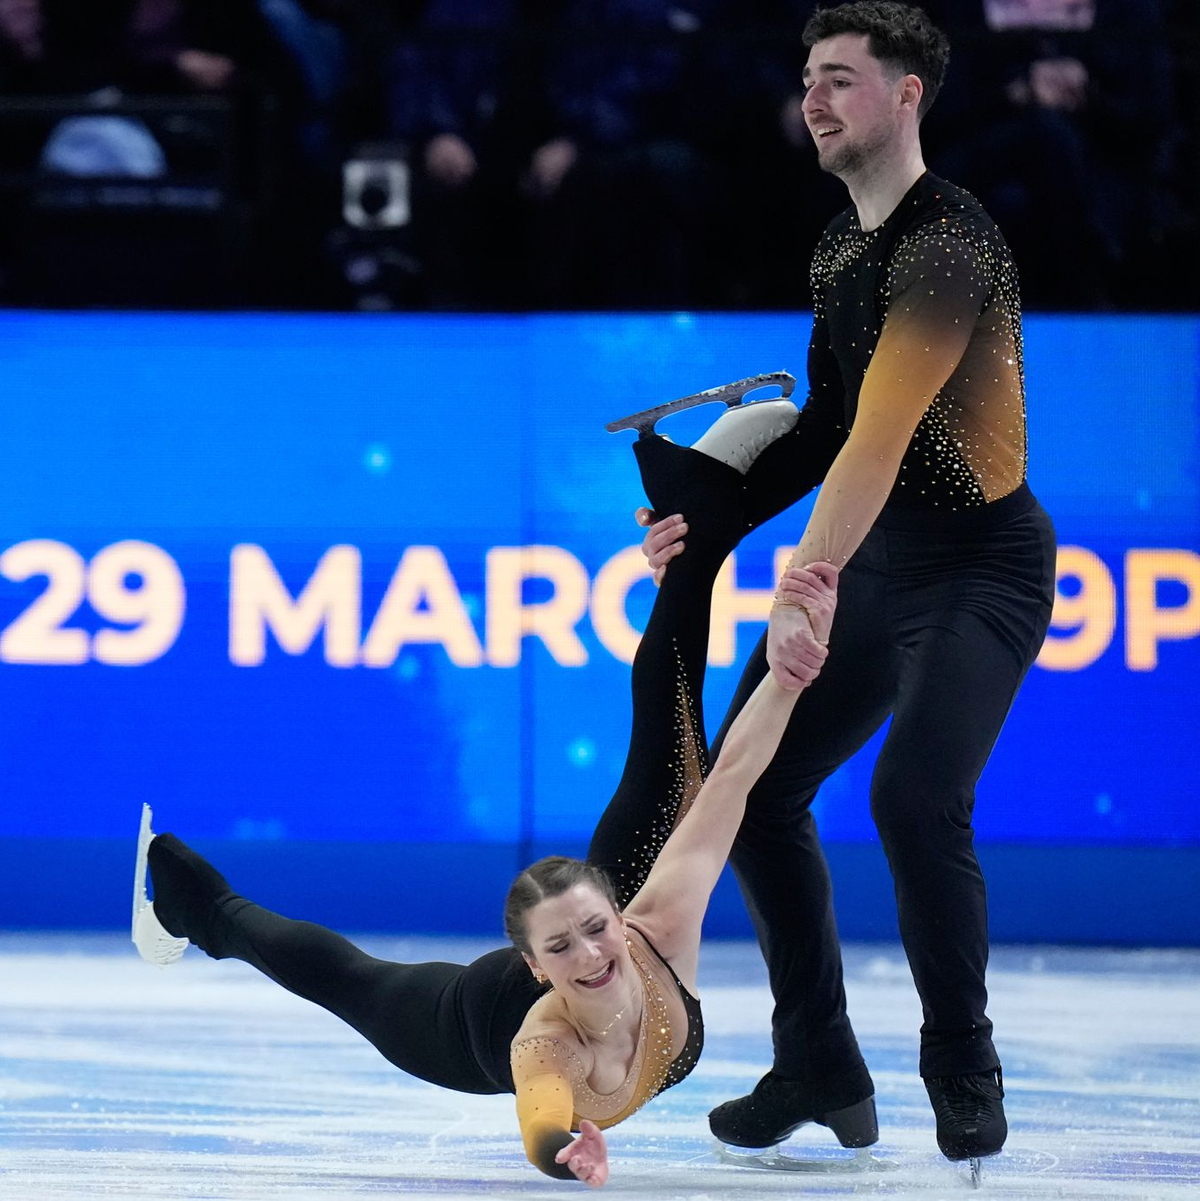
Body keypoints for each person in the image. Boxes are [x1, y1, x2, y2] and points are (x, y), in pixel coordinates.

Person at [131, 399, 836, 1187]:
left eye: (594, 928)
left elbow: (734, 779)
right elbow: (539, 1117)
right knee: (350, 979)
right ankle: (209, 911)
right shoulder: (542, 1040)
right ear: (533, 964)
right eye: (561, 947)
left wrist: (791, 668)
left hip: (616, 896)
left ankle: (695, 519)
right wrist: (563, 1149)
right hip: (464, 1027)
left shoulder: (655, 924)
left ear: (618, 909)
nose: (594, 954)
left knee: (678, 773)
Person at [639, 0, 1057, 1172]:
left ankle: (962, 1063)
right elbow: (825, 424)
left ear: (907, 94)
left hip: (983, 565)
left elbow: (880, 436)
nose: (811, 101)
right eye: (807, 81)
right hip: (878, 561)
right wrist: (701, 518)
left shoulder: (947, 246)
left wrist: (803, 579)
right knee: (755, 780)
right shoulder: (839, 248)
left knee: (914, 801)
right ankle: (817, 1059)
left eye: (837, 80)